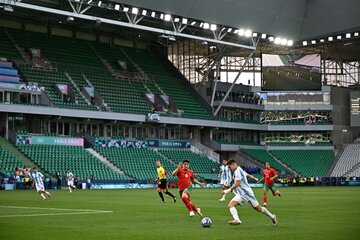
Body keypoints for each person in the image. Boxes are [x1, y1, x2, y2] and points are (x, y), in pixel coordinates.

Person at [223, 159, 277, 226]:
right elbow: (246, 174)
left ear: (233, 164)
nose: (229, 169)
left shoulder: (237, 171)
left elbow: (237, 183)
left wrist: (228, 190)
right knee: (231, 205)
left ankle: (272, 217)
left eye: (229, 167)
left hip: (247, 194)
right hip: (240, 194)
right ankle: (237, 220)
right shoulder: (239, 169)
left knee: (258, 209)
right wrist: (254, 178)